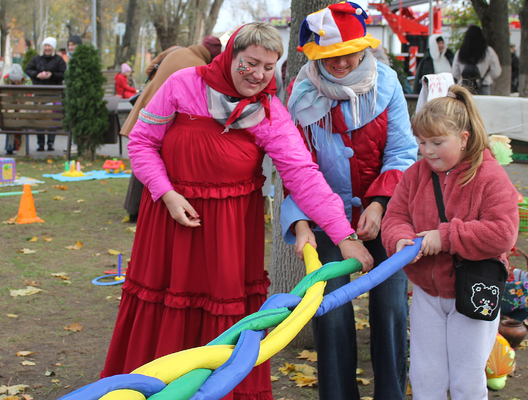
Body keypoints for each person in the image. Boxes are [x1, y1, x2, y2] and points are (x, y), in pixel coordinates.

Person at [99, 22, 374, 400]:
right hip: (170, 222)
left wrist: (345, 236)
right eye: (251, 63)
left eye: (268, 67)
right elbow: (143, 143)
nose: (259, 75)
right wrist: (166, 193)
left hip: (227, 233)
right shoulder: (182, 84)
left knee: (221, 312)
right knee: (167, 301)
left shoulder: (270, 113)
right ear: (231, 56)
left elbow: (304, 176)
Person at [284, 3, 417, 399]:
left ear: (363, 48)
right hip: (325, 220)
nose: (339, 64)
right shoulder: (301, 92)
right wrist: (301, 224)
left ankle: (391, 394)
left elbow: (402, 154)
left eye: (347, 54)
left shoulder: (388, 85)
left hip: (387, 214)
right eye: (328, 57)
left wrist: (377, 204)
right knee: (331, 312)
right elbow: (295, 165)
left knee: (392, 309)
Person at [381, 84, 519, 400]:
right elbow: (395, 218)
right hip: (428, 293)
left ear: (464, 138)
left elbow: (502, 233)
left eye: (437, 143)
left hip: (472, 292)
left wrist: (444, 237)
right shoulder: (414, 175)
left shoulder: (489, 176)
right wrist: (400, 240)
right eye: (422, 143)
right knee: (425, 377)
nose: (428, 151)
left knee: (466, 380)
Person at [120, 35, 222, 223]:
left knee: (142, 155)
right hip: (165, 113)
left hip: (146, 103)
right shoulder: (199, 66)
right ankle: (141, 208)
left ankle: (132, 207)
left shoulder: (174, 49)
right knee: (153, 157)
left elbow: (149, 69)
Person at [25, 36, 67, 152]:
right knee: (39, 117)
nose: (47, 48)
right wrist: (37, 75)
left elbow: (63, 73)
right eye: (46, 46)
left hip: (53, 93)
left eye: (49, 46)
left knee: (52, 118)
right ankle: (40, 143)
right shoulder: (36, 59)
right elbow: (28, 69)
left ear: (53, 47)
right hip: (39, 92)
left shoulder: (58, 60)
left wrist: (51, 75)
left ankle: (50, 142)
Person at [452, 25, 501, 95]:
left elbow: (455, 73)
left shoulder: (460, 52)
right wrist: (487, 76)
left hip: (465, 88)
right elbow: (496, 72)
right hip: (484, 86)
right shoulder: (488, 51)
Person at [2, 64, 32, 155]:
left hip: (22, 108)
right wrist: (10, 110)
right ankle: (11, 146)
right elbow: (4, 99)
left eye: (17, 81)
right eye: (13, 81)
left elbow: (28, 103)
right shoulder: (5, 79)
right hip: (11, 108)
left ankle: (16, 147)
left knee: (22, 118)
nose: (15, 83)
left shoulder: (27, 81)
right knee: (11, 117)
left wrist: (20, 112)